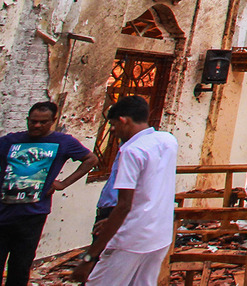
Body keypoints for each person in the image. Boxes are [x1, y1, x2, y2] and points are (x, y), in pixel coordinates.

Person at [70, 95, 178, 286]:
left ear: (123, 120)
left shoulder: (132, 151)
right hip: (159, 233)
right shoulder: (167, 141)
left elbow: (124, 205)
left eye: (113, 125)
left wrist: (89, 257)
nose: (113, 130)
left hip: (131, 237)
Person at [0, 101, 97, 286]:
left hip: (32, 215)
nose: (36, 125)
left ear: (53, 121)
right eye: (33, 121)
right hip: (4, 212)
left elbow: (91, 159)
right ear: (27, 120)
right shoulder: (11, 141)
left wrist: (64, 183)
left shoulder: (63, 142)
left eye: (42, 122)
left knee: (20, 267)